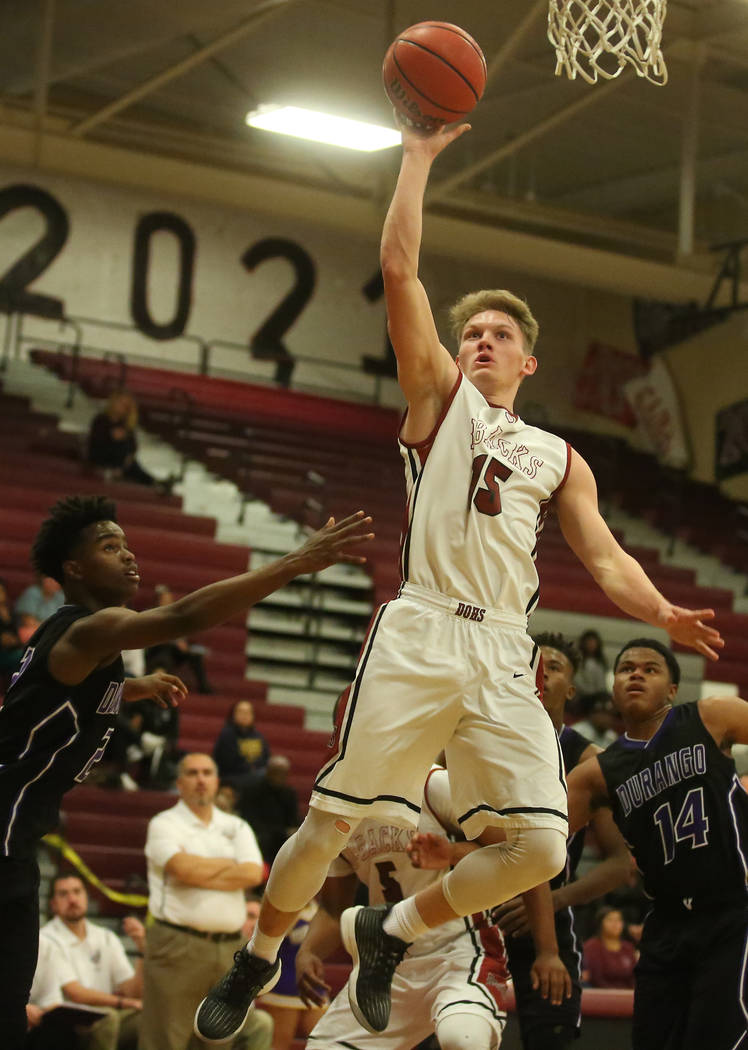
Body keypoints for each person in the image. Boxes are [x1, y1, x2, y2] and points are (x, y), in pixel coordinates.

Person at [195, 119, 723, 1044]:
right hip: (424, 627)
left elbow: (605, 560)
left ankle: (390, 930)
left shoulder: (560, 456)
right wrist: (418, 154)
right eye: (470, 329)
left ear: (529, 359)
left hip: (503, 651)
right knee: (328, 827)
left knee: (543, 847)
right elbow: (401, 270)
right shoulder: (439, 402)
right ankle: (254, 957)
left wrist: (661, 611)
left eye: (499, 332)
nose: (479, 339)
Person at [0, 493, 373, 1050]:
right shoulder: (89, 629)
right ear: (73, 569)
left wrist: (125, 690)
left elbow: (47, 700)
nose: (128, 556)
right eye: (108, 547)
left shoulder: (76, 644)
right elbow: (182, 616)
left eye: (126, 544)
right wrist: (296, 562)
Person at [411, 633, 632, 1050]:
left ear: (572, 688)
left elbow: (622, 863)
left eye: (556, 668)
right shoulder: (470, 737)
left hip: (544, 920)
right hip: (467, 911)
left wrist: (553, 903)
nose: (542, 675)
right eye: (537, 665)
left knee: (549, 1035)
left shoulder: (589, 761)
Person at [295, 766, 570, 1050]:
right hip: (386, 966)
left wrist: (548, 950)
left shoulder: (434, 784)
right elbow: (332, 909)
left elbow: (522, 856)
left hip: (459, 951)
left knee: (462, 1039)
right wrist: (309, 951)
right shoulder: (338, 811)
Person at [565, 637, 748, 1049]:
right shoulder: (597, 774)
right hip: (665, 923)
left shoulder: (711, 716)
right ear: (613, 687)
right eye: (627, 668)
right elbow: (538, 843)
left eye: (651, 669)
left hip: (731, 913)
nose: (636, 674)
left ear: (671, 689)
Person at [140, 752, 272, 1050]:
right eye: (192, 773)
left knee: (219, 1039)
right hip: (177, 944)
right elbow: (182, 870)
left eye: (207, 772)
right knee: (164, 1038)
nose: (200, 779)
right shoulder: (164, 824)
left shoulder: (236, 826)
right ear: (179, 782)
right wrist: (229, 866)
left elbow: (253, 873)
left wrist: (200, 868)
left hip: (230, 948)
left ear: (217, 781)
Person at [41, 873, 144, 1049]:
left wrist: (142, 949)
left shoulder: (105, 937)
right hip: (67, 1020)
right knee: (108, 1019)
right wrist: (123, 1003)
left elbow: (131, 991)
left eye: (77, 891)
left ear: (87, 897)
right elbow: (75, 993)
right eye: (63, 894)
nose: (72, 899)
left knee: (153, 1017)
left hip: (107, 1015)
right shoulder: (46, 938)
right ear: (53, 905)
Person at [145, 584, 212, 694]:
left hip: (176, 650)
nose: (168, 601)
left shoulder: (174, 615)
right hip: (158, 649)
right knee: (165, 653)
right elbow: (152, 636)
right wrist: (175, 643)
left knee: (195, 656)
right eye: (165, 599)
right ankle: (160, 683)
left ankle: (204, 687)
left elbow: (181, 634)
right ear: (159, 600)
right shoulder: (151, 614)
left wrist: (183, 644)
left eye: (169, 599)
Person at [87, 391, 158, 487]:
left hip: (123, 463)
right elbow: (96, 445)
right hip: (103, 460)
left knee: (140, 473)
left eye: (126, 405)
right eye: (121, 403)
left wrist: (125, 462)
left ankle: (155, 483)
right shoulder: (101, 420)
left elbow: (133, 447)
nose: (123, 408)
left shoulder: (125, 425)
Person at [239, 755, 299, 862]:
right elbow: (250, 819)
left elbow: (293, 819)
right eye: (276, 771)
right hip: (262, 834)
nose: (280, 775)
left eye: (283, 772)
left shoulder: (289, 793)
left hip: (281, 835)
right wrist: (281, 832)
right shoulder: (253, 791)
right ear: (268, 771)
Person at [213, 700, 270, 792]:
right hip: (232, 777)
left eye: (248, 712)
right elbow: (227, 763)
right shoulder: (227, 735)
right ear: (233, 715)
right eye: (241, 712)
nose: (244, 716)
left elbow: (267, 758)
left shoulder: (258, 736)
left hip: (256, 775)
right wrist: (250, 769)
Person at [581, 907, 637, 989]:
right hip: (601, 994)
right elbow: (596, 978)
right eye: (610, 920)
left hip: (628, 994)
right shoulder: (592, 946)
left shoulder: (628, 947)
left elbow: (634, 977)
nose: (615, 924)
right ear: (600, 923)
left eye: (618, 920)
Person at [574, 629, 608, 703]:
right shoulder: (578, 661)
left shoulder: (600, 663)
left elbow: (602, 684)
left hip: (597, 696)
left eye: (593, 642)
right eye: (589, 642)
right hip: (582, 696)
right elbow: (577, 682)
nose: (591, 645)